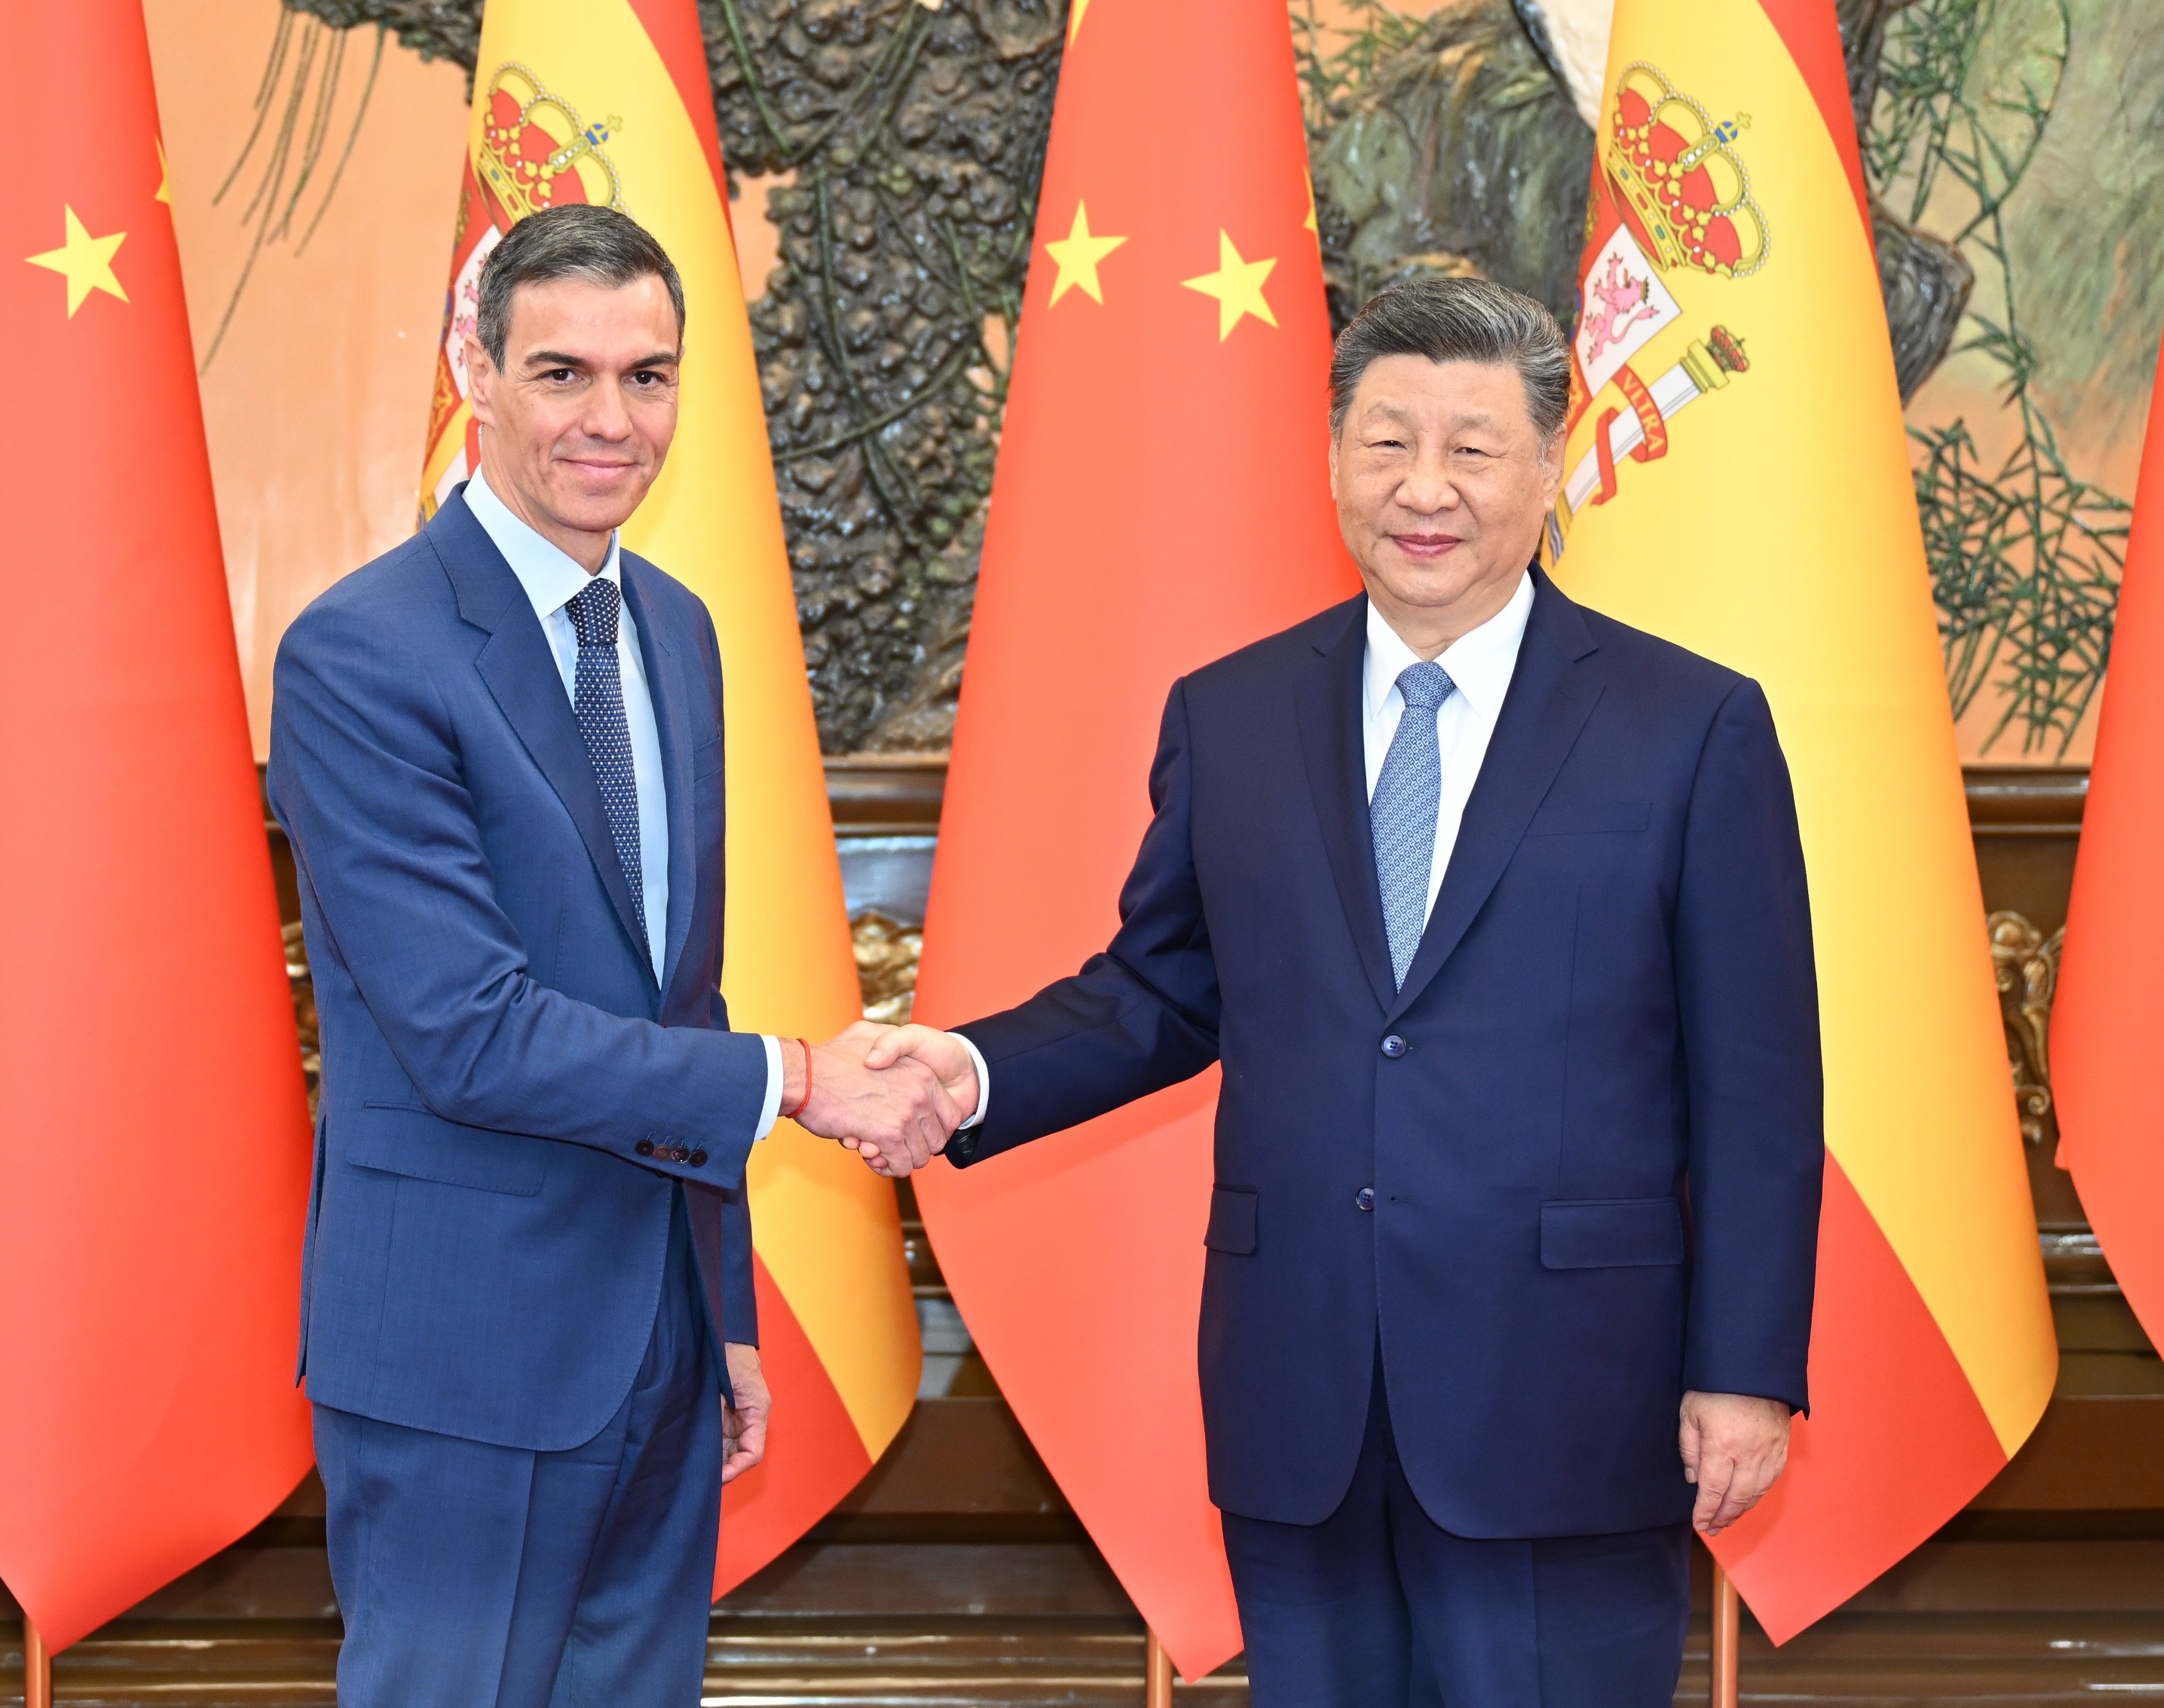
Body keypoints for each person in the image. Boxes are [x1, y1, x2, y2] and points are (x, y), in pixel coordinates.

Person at [858, 276, 1823, 1706]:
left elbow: (1759, 1084)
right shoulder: (1233, 712)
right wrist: (971, 1071)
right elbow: (1156, 994)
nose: (1425, 488)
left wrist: (1746, 1368)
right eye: (1387, 443)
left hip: (1566, 1396)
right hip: (1300, 1395)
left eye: (1474, 448)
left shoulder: (1691, 725)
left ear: (1550, 466)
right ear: (1331, 459)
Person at [267, 203, 960, 1708]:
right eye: (563, 372)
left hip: (653, 1341)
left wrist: (717, 1312)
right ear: (478, 368)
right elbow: (474, 1032)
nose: (610, 418)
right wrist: (805, 1081)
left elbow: (672, 993)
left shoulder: (676, 629)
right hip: (461, 1351)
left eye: (648, 376)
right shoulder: (362, 654)